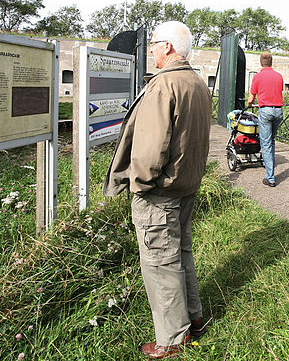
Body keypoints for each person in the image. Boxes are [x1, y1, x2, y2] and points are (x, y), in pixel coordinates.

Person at [104, 21, 211, 359]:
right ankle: (194, 318)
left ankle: (172, 338)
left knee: (159, 262)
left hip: (160, 190)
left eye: (153, 44)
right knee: (181, 254)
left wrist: (139, 182)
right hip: (186, 184)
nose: (150, 49)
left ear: (167, 47)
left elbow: (151, 150)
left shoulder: (163, 86)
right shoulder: (196, 82)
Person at [246, 52, 284, 187]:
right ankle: (270, 169)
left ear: (261, 63)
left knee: (266, 143)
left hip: (265, 111)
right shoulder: (279, 76)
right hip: (279, 111)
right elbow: (279, 91)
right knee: (271, 141)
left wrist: (250, 104)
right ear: (271, 62)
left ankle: (270, 178)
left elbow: (251, 98)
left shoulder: (257, 76)